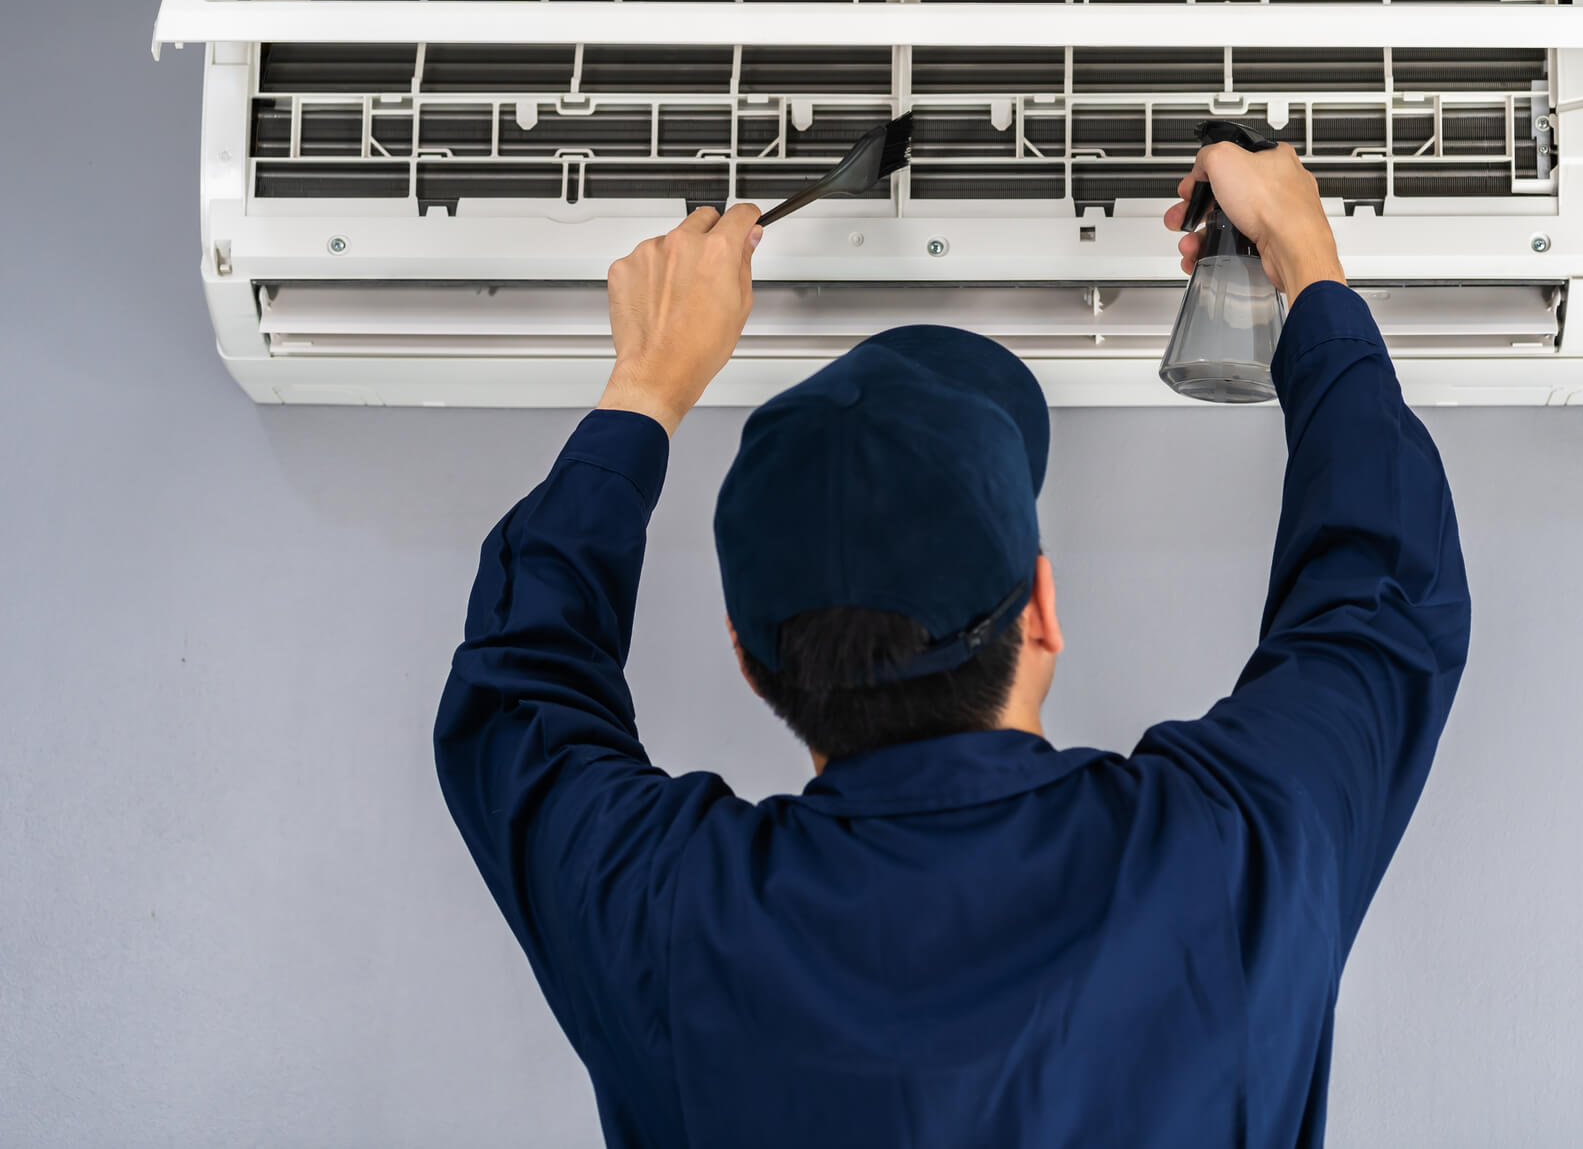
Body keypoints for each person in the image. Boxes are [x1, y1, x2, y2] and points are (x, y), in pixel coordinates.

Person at [435, 140, 1471, 1149]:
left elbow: (518, 685)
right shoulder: (1227, 853)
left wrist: (647, 386)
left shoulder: (662, 922)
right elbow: (1380, 596)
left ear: (750, 661)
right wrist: (1301, 256)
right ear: (1042, 613)